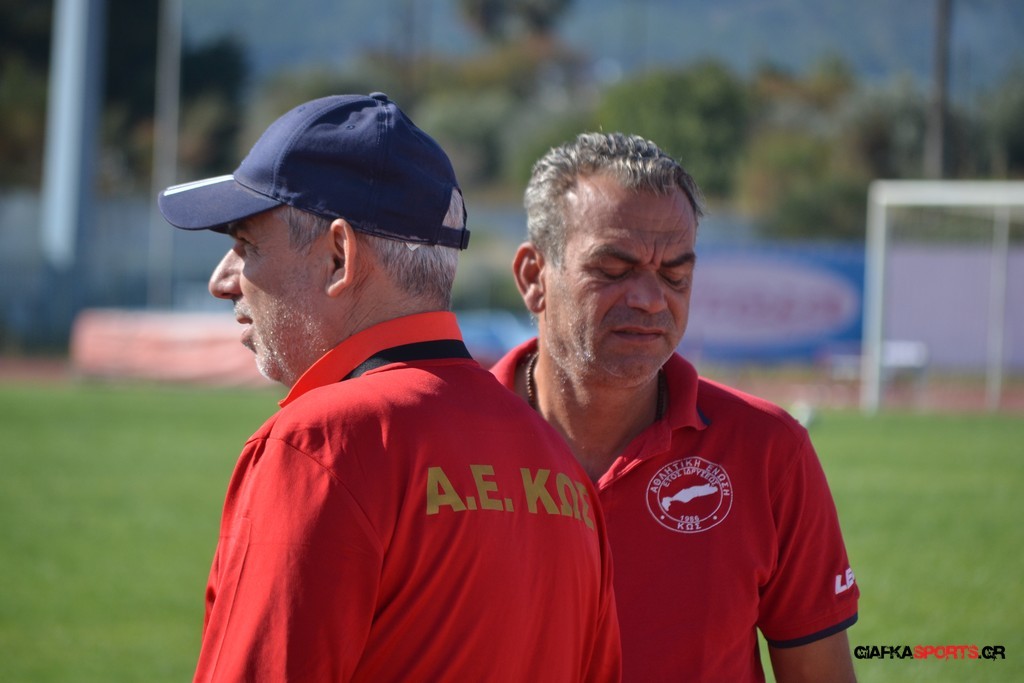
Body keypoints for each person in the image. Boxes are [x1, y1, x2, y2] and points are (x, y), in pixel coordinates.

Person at [158, 94, 620, 682]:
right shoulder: (559, 462)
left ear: (339, 257)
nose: (222, 280)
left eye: (246, 245)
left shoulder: (319, 445)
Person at [491, 132, 859, 682]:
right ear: (533, 277)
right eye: (613, 269)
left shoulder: (767, 451)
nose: (649, 299)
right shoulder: (442, 445)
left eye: (674, 275)